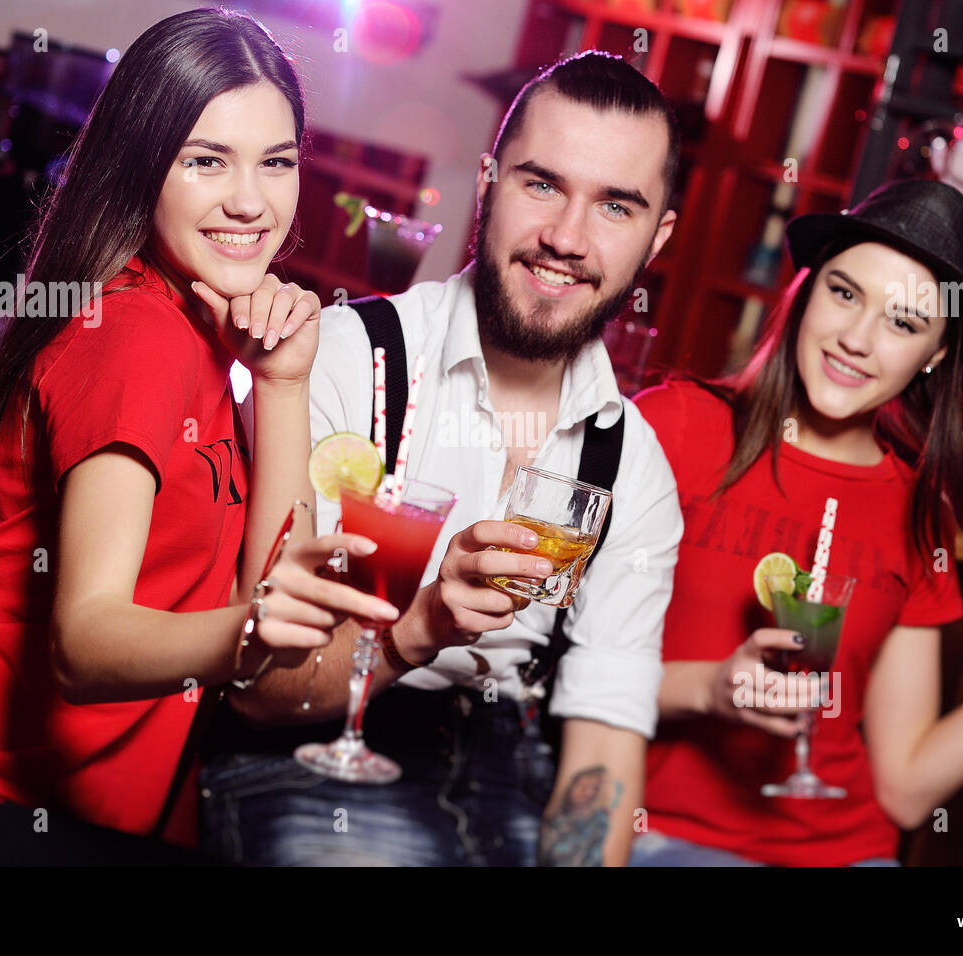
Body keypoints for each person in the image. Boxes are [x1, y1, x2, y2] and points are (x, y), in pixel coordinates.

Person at [0, 8, 397, 865]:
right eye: (206, 160)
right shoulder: (134, 331)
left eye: (276, 162)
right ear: (144, 170)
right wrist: (251, 632)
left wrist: (286, 383)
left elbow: (275, 586)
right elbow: (86, 641)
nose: (251, 200)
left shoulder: (209, 336)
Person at [201, 51, 684, 867]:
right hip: (315, 748)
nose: (566, 238)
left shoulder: (633, 466)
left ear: (657, 237)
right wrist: (420, 625)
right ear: (489, 182)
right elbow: (259, 690)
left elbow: (600, 756)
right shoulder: (346, 359)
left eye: (616, 206)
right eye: (541, 184)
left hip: (512, 761)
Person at [629, 178, 963, 866]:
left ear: (937, 354)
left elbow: (908, 789)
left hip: (846, 852)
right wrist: (708, 688)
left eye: (905, 323)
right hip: (665, 838)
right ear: (805, 289)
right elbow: (555, 669)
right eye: (845, 293)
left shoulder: (916, 509)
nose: (856, 338)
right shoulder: (672, 427)